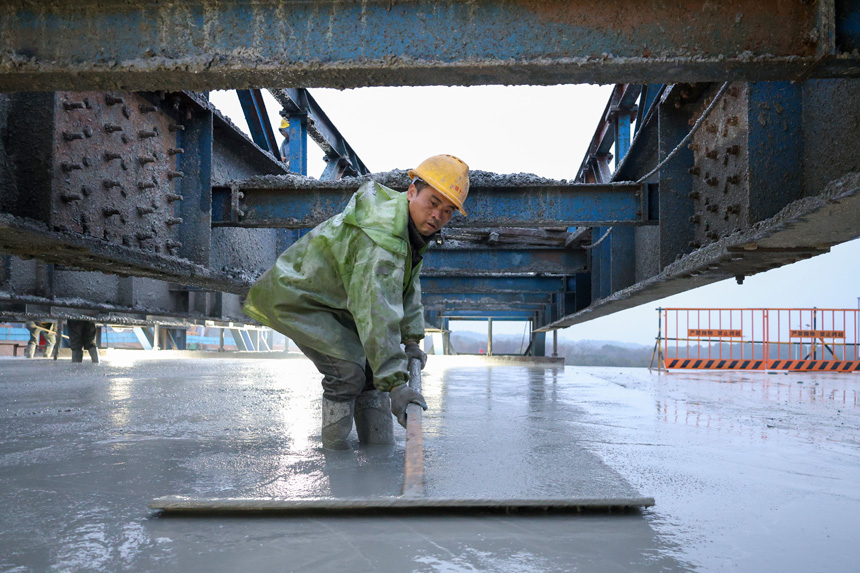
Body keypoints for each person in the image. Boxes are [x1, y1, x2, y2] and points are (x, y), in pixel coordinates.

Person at [243, 155, 470, 449]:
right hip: (300, 299)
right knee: (348, 373)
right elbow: (375, 311)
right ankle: (337, 463)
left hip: (335, 303)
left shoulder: (408, 233)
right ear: (412, 191)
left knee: (374, 375)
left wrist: (412, 340)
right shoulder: (381, 238)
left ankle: (377, 457)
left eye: (448, 210)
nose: (438, 215)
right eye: (433, 202)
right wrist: (397, 386)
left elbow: (408, 288)